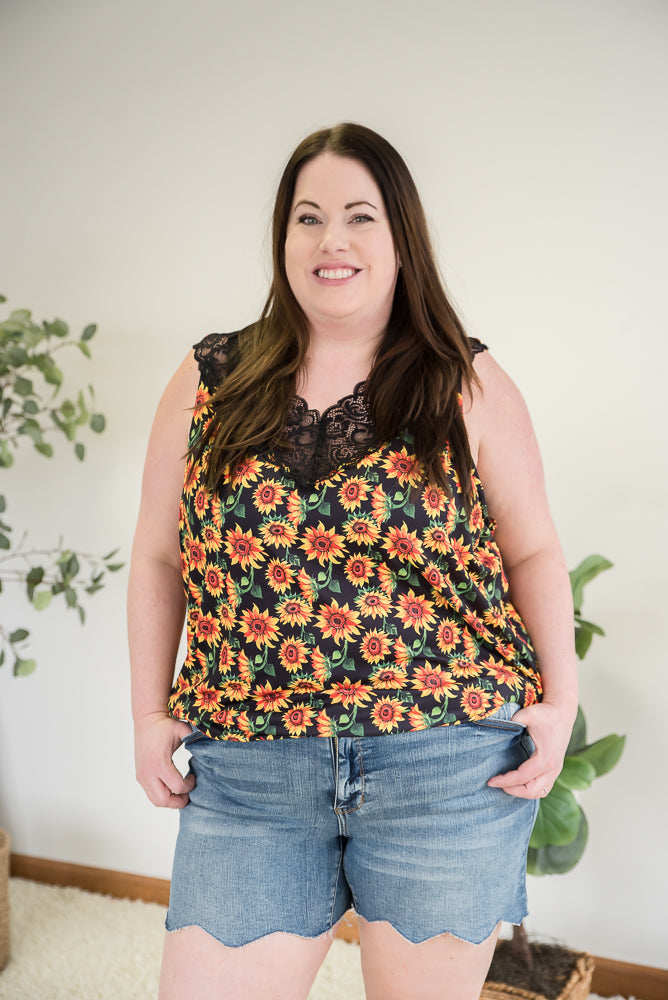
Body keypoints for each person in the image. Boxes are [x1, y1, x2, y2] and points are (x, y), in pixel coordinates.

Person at [128, 123, 578, 1000]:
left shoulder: (467, 382)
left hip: (446, 767)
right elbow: (157, 557)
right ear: (283, 239)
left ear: (401, 238)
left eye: (359, 216)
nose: (332, 240)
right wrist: (148, 714)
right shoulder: (207, 379)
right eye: (308, 217)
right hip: (251, 766)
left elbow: (533, 551)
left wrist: (561, 700)